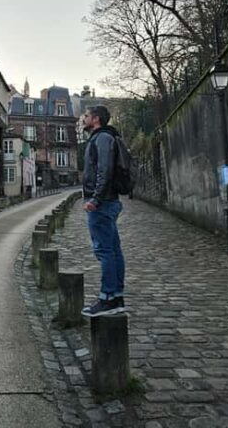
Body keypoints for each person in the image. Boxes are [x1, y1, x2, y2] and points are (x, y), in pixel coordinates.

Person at [81, 105, 126, 317]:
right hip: (107, 201)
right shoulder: (104, 138)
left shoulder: (102, 139)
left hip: (103, 203)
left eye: (86, 116)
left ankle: (108, 298)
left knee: (105, 251)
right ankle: (116, 296)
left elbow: (104, 170)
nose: (83, 119)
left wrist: (95, 199)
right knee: (113, 250)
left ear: (96, 119)